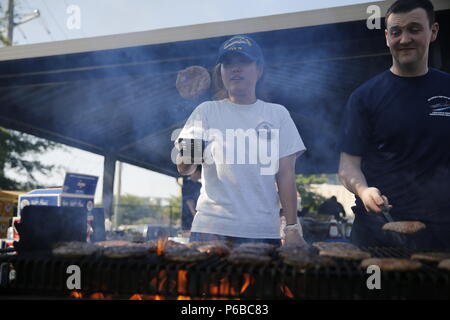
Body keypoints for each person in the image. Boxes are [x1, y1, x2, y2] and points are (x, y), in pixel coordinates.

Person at [175, 35, 307, 247]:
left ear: (259, 69)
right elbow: (185, 168)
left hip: (262, 230)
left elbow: (285, 175)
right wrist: (194, 138)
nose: (235, 69)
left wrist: (292, 228)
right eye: (228, 64)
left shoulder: (277, 114)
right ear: (221, 71)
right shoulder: (206, 111)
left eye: (244, 62)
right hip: (210, 230)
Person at [339, 0, 450, 248]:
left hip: (443, 233)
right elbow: (347, 167)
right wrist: (364, 191)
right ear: (387, 37)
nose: (404, 39)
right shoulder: (364, 97)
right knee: (374, 288)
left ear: (433, 32)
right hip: (379, 231)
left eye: (414, 29)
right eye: (396, 32)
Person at [181, 166, 202, 233]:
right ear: (195, 172)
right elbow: (189, 201)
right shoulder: (187, 184)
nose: (201, 175)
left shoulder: (200, 185)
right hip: (188, 218)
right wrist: (195, 216)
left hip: (198, 216)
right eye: (199, 172)